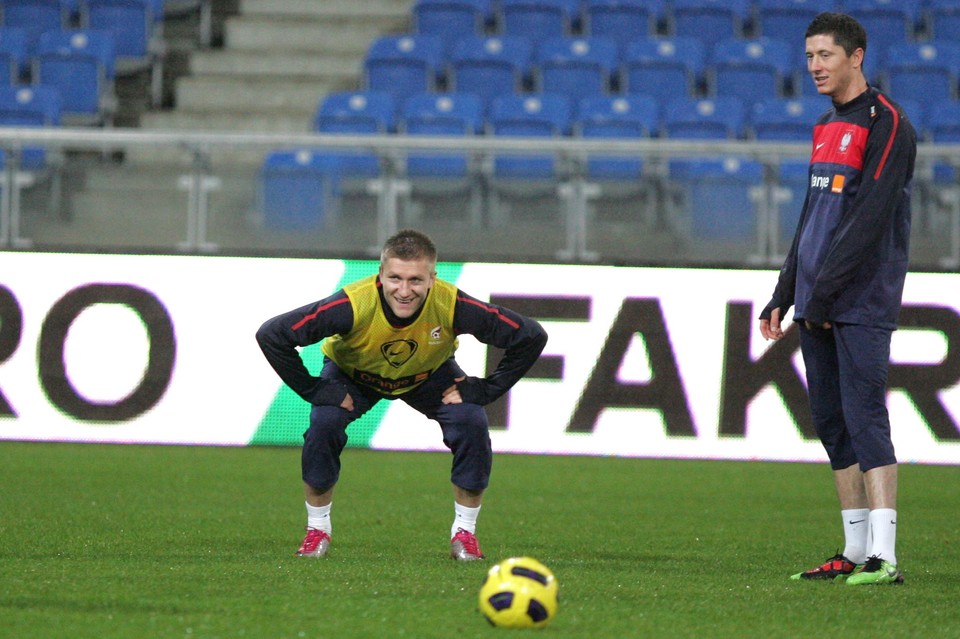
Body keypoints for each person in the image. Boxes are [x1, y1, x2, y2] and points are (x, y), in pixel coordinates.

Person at [256, 229, 548, 560]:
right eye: (395, 278)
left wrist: (485, 389)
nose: (405, 290)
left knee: (471, 421)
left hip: (428, 374)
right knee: (325, 422)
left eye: (415, 280)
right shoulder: (352, 304)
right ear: (380, 276)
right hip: (355, 376)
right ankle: (317, 529)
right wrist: (314, 389)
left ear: (433, 279)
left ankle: (465, 534)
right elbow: (273, 334)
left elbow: (530, 336)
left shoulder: (453, 304)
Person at [758, 12, 916, 586]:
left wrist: (820, 294)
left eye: (825, 55)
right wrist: (785, 290)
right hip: (817, 297)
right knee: (830, 422)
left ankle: (884, 556)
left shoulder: (888, 122)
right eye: (808, 56)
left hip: (862, 298)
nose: (815, 67)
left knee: (866, 418)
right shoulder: (826, 126)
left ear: (856, 56)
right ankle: (851, 551)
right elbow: (813, 218)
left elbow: (871, 218)